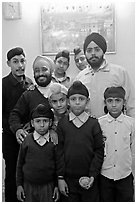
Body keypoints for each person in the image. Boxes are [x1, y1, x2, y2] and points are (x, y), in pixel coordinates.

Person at [56, 81, 104, 202]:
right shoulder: (62, 124)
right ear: (68, 101)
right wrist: (60, 178)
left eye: (81, 99)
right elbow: (59, 151)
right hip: (68, 180)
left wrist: (93, 175)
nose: (77, 102)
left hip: (88, 179)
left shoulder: (94, 124)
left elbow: (99, 151)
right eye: (73, 99)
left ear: (87, 102)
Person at [74, 32, 135, 118]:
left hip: (115, 127)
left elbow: (132, 104)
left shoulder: (119, 73)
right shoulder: (80, 77)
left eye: (97, 49)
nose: (93, 53)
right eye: (89, 50)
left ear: (103, 51)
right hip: (87, 128)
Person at [2, 47, 33, 201]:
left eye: (22, 61)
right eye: (15, 62)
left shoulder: (29, 82)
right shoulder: (3, 85)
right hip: (10, 139)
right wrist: (16, 129)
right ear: (8, 63)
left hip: (29, 137)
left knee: (28, 173)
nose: (20, 65)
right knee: (13, 175)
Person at [16, 104, 59, 202]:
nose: (42, 125)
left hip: (48, 187)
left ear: (51, 122)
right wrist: (19, 185)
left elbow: (58, 164)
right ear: (32, 123)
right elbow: (19, 164)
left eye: (45, 121)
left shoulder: (53, 142)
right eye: (38, 121)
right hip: (29, 186)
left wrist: (56, 185)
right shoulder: (27, 141)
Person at [98, 86, 135, 202]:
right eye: (110, 101)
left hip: (125, 175)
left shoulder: (131, 123)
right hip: (104, 175)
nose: (114, 105)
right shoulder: (99, 123)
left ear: (124, 102)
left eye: (117, 101)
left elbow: (134, 150)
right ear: (105, 102)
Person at [9, 55, 55, 145]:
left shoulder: (60, 92)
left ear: (51, 71)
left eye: (44, 69)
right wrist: (18, 129)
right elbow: (14, 115)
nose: (41, 73)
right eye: (37, 71)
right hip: (35, 147)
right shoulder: (29, 94)